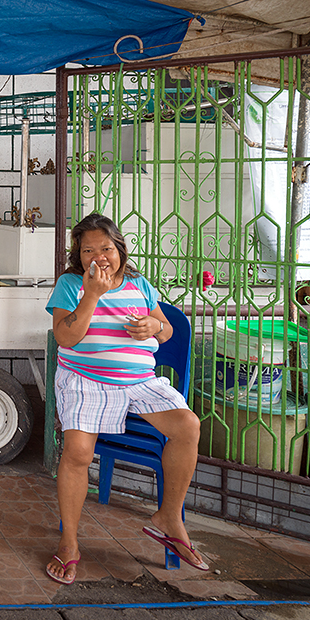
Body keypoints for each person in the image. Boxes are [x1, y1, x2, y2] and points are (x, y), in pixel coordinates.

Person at [45, 213, 205, 585]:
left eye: (106, 248)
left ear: (119, 248)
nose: (98, 257)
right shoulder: (70, 284)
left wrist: (155, 326)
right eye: (88, 250)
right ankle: (69, 542)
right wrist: (92, 295)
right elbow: (66, 338)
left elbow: (164, 331)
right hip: (84, 379)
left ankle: (169, 517)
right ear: (78, 256)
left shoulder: (140, 285)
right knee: (78, 453)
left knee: (187, 427)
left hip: (138, 382)